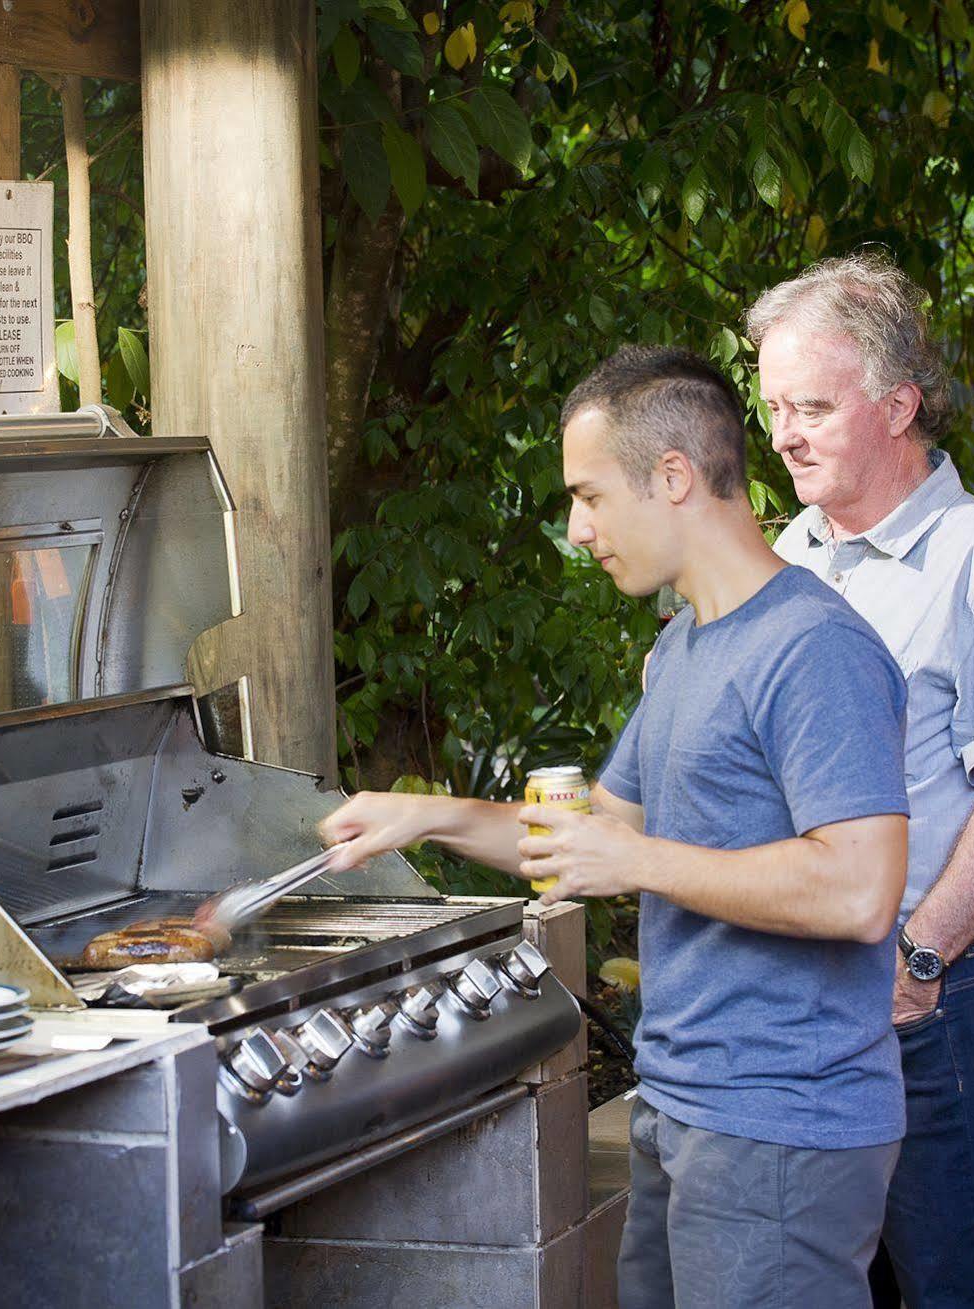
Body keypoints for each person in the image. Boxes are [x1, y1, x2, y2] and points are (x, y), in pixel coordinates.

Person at [320, 345, 912, 1308]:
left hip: (778, 1123)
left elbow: (858, 890)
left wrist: (635, 858)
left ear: (672, 476)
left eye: (589, 495)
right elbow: (587, 835)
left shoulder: (813, 648)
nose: (575, 528)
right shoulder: (685, 643)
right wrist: (422, 816)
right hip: (681, 1106)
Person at [748, 252, 974, 1308]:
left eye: (810, 406)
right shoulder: (773, 568)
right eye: (771, 408)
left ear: (897, 406)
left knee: (956, 1286)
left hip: (933, 995)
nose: (784, 434)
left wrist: (917, 960)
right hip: (793, 1009)